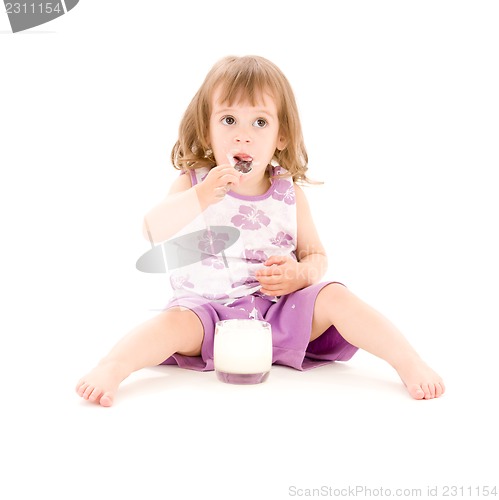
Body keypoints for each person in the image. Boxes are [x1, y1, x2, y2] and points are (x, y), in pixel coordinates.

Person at [76, 55, 445, 407]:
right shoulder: (193, 184)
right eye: (228, 120)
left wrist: (299, 274)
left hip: (277, 314)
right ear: (207, 129)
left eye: (260, 123)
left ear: (281, 137)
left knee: (337, 297)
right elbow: (152, 229)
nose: (243, 137)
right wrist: (201, 196)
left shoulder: (289, 193)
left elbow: (317, 256)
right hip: (207, 317)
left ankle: (407, 360)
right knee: (170, 324)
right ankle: (113, 367)